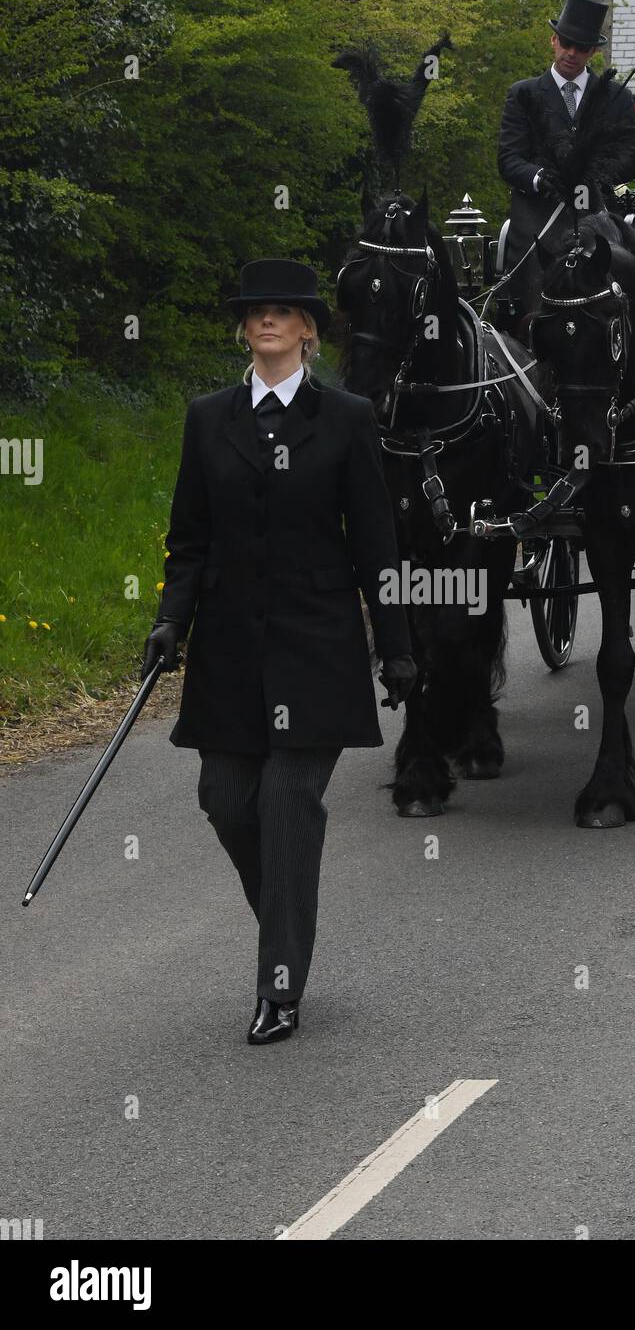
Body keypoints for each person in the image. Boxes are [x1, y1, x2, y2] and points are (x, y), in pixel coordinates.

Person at [141, 259, 417, 1045]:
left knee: (286, 800)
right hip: (229, 652)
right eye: (256, 310)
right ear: (245, 328)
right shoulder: (207, 417)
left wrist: (394, 646)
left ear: (307, 330)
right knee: (225, 799)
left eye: (284, 311)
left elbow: (375, 542)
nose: (268, 320)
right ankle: (290, 918)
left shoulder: (348, 418)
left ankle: (280, 983)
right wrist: (170, 620)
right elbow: (189, 538)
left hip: (317, 647)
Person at [497, 0, 635, 329]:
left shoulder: (615, 97)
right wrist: (540, 177)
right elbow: (509, 158)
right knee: (539, 279)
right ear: (553, 40)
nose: (571, 53)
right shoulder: (524, 94)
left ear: (592, 51)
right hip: (539, 216)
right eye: (566, 43)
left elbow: (632, 156)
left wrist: (593, 173)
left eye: (581, 47)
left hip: (596, 213)